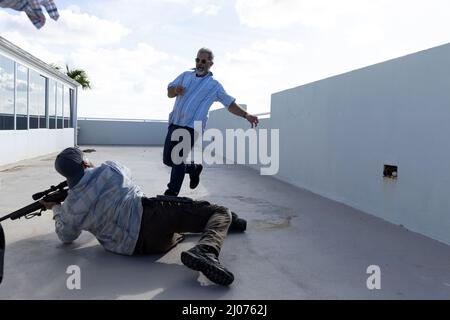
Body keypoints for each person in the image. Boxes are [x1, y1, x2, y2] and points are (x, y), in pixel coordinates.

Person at [40, 147, 246, 286]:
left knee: (184, 226)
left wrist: (56, 208)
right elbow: (128, 174)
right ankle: (207, 249)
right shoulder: (108, 169)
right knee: (219, 211)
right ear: (85, 164)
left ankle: (221, 225)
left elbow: (65, 236)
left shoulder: (70, 206)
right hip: (150, 216)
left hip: (138, 249)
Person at [163, 47, 259, 196]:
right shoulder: (185, 76)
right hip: (175, 122)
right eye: (197, 60)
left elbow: (230, 104)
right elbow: (169, 91)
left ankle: (172, 192)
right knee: (168, 160)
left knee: (178, 157)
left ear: (210, 64)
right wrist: (175, 90)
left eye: (203, 61)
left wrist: (246, 115)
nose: (199, 64)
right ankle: (193, 169)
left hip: (192, 127)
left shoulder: (214, 86)